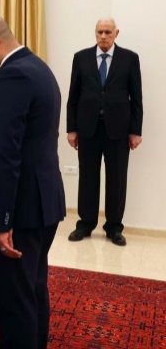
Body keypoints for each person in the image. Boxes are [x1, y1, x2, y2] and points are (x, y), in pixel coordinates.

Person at [0, 13, 66, 349]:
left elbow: (7, 155)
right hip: (42, 204)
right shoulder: (37, 68)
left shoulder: (12, 79)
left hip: (19, 212)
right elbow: (18, 141)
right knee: (32, 290)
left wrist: (2, 220)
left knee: (13, 304)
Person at [66, 18, 143, 247]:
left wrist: (135, 131)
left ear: (116, 33)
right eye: (99, 31)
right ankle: (85, 224)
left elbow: (136, 98)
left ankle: (114, 228)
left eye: (107, 32)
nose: (103, 36)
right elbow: (73, 97)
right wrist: (71, 129)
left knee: (117, 180)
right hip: (88, 128)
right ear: (95, 33)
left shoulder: (130, 59)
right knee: (88, 178)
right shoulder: (81, 58)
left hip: (118, 130)